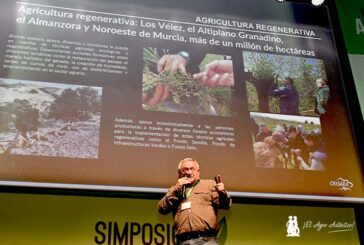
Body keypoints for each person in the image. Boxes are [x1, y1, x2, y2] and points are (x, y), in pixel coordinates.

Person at [158, 158, 231, 245]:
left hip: (207, 240)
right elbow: (162, 208)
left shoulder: (210, 185)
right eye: (185, 169)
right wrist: (177, 189)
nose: (189, 172)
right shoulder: (174, 189)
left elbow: (225, 205)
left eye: (192, 169)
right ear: (180, 173)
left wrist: (223, 192)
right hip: (183, 241)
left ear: (198, 171)